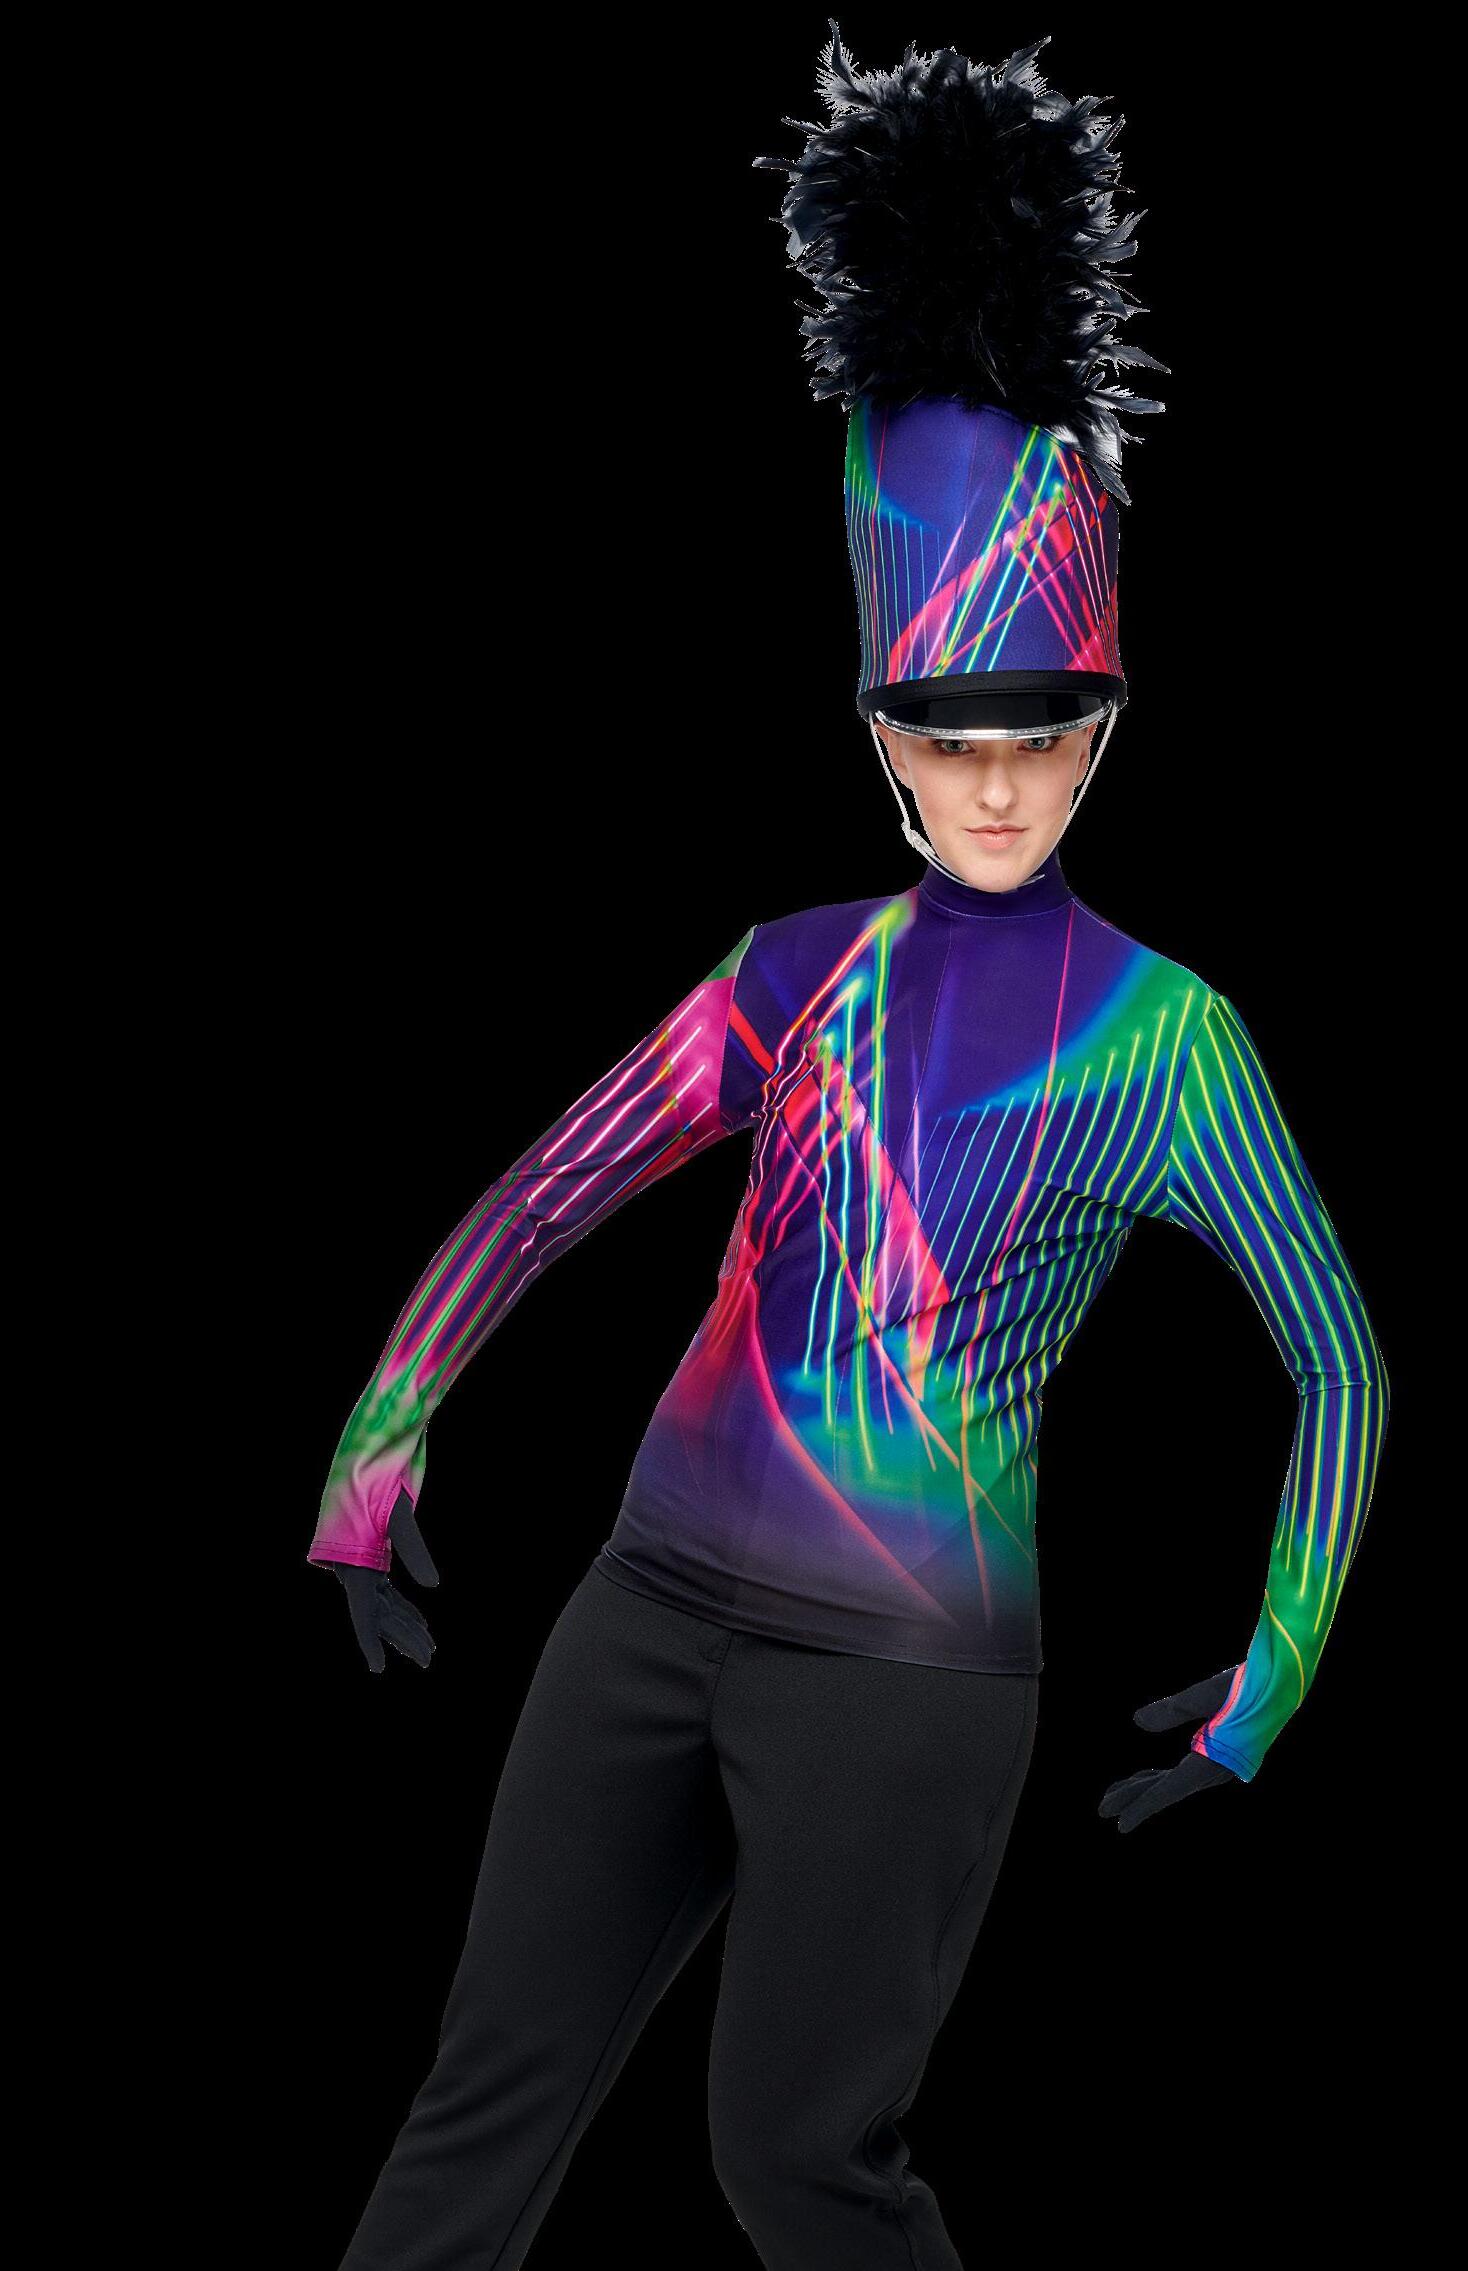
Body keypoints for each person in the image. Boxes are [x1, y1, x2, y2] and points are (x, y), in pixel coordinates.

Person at [309, 29, 1388, 2269]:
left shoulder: (1170, 1040)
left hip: (904, 1688)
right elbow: (544, 1191)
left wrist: (1276, 1670)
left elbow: (1338, 1357)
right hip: (640, 1609)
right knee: (475, 2108)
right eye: (948, 731)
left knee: (797, 2169)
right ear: (884, 733)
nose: (994, 783)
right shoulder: (788, 972)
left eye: (1040, 734)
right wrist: (371, 1456)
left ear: (1100, 734)